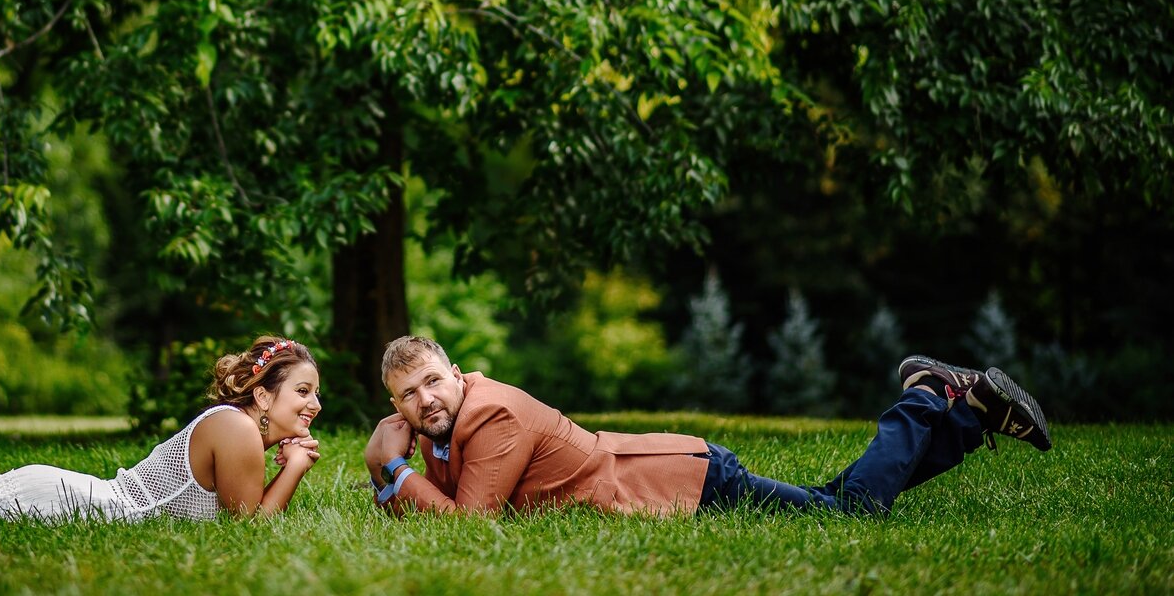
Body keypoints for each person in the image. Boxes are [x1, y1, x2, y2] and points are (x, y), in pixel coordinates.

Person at [363, 335, 1049, 517]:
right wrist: (390, 479)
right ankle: (966, 418)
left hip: (683, 484)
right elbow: (441, 507)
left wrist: (391, 470)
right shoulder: (441, 426)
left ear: (456, 371)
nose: (424, 399)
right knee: (839, 500)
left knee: (848, 515)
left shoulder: (493, 412)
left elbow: (469, 523)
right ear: (398, 407)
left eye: (431, 380)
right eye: (407, 395)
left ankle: (928, 394)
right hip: (680, 472)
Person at [0, 315, 322, 525]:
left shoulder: (234, 429)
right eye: (302, 390)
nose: (314, 405)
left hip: (67, 493)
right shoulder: (234, 430)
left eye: (316, 394)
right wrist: (294, 465)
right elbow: (250, 525)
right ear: (261, 392)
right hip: (74, 502)